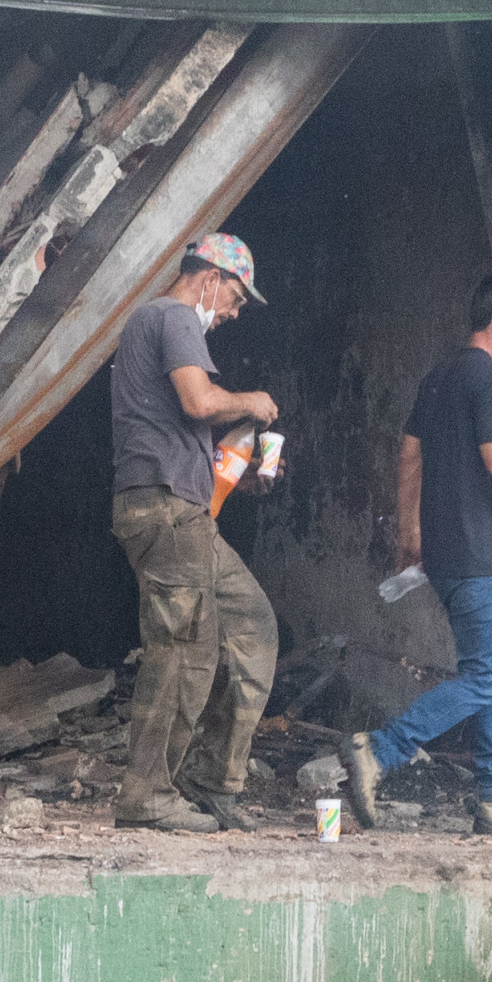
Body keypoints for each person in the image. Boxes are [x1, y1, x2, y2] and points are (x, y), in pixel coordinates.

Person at [340, 273, 492, 834]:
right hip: (481, 553)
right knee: (485, 678)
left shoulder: (438, 377)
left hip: (451, 553)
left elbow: (409, 454)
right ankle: (380, 750)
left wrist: (411, 533)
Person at [108, 233, 281, 833]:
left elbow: (189, 431)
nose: (231, 314)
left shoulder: (160, 323)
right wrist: (251, 402)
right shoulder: (174, 315)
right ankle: (147, 795)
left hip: (185, 509)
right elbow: (197, 400)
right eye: (233, 298)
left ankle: (207, 781)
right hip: (165, 509)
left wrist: (247, 477)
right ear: (207, 278)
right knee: (183, 649)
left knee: (251, 624)